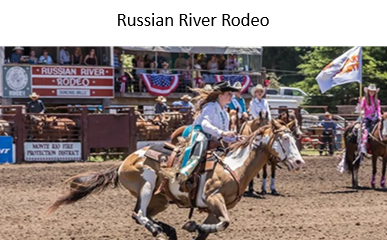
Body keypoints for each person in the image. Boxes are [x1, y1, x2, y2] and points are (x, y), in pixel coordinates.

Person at [177, 81, 239, 183]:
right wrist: (222, 133)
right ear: (220, 95)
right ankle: (186, 171)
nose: (231, 96)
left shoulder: (225, 112)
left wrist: (236, 138)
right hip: (200, 132)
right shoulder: (210, 106)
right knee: (201, 141)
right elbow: (205, 125)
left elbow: (225, 134)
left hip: (213, 136)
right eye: (229, 93)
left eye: (231, 94)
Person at [359, 84, 382, 156]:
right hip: (367, 118)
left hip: (375, 118)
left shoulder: (377, 101)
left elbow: (378, 109)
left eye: (373, 91)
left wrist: (379, 116)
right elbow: (362, 107)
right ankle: (363, 145)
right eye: (370, 91)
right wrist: (361, 108)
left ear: (375, 92)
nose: (372, 92)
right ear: (368, 91)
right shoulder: (365, 99)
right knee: (365, 130)